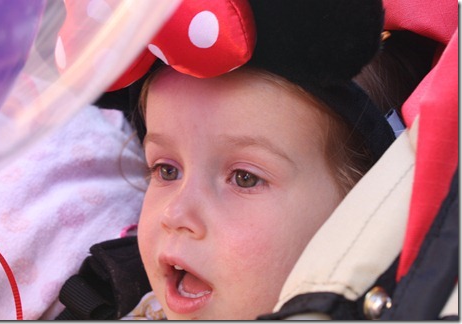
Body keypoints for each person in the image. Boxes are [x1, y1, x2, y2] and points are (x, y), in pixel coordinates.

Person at [55, 0, 399, 320]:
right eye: (166, 170)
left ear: (362, 208)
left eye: (244, 178)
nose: (174, 215)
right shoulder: (116, 298)